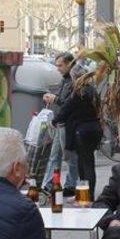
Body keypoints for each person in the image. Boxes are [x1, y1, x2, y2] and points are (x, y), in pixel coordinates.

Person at [53, 72, 103, 195]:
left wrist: (54, 121)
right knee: (88, 162)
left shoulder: (78, 92)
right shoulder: (93, 91)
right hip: (95, 128)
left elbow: (66, 109)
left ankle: (87, 196)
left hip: (82, 130)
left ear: (76, 78)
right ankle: (85, 194)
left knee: (84, 164)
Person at [42, 52, 80, 196]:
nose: (58, 68)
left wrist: (55, 99)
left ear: (69, 65)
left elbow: (69, 103)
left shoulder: (74, 81)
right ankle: (49, 184)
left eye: (60, 65)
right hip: (61, 122)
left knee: (69, 155)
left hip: (68, 124)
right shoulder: (65, 79)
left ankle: (70, 185)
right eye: (57, 65)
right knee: (55, 154)